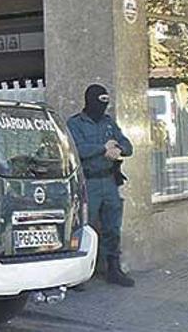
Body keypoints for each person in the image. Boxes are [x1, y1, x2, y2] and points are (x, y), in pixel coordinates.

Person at [67, 84, 135, 287]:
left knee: (112, 227)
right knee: (83, 226)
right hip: (88, 182)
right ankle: (76, 274)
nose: (102, 107)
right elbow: (75, 149)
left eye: (106, 102)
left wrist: (118, 149)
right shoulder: (75, 123)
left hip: (109, 181)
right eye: (100, 102)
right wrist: (102, 148)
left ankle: (113, 268)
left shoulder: (108, 123)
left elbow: (128, 146)